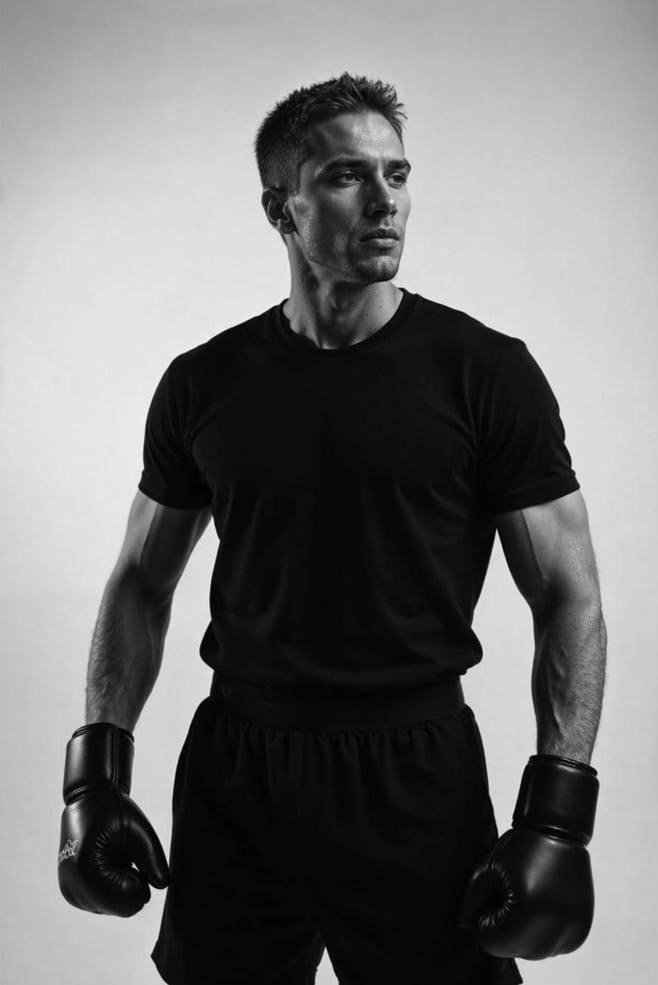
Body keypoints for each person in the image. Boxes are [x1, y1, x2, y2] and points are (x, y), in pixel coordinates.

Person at [57, 72, 607, 985]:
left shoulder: (485, 374)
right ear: (282, 207)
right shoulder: (205, 382)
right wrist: (95, 774)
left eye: (398, 174)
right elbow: (140, 581)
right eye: (348, 176)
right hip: (238, 772)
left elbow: (568, 594)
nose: (386, 200)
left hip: (413, 774)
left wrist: (558, 813)